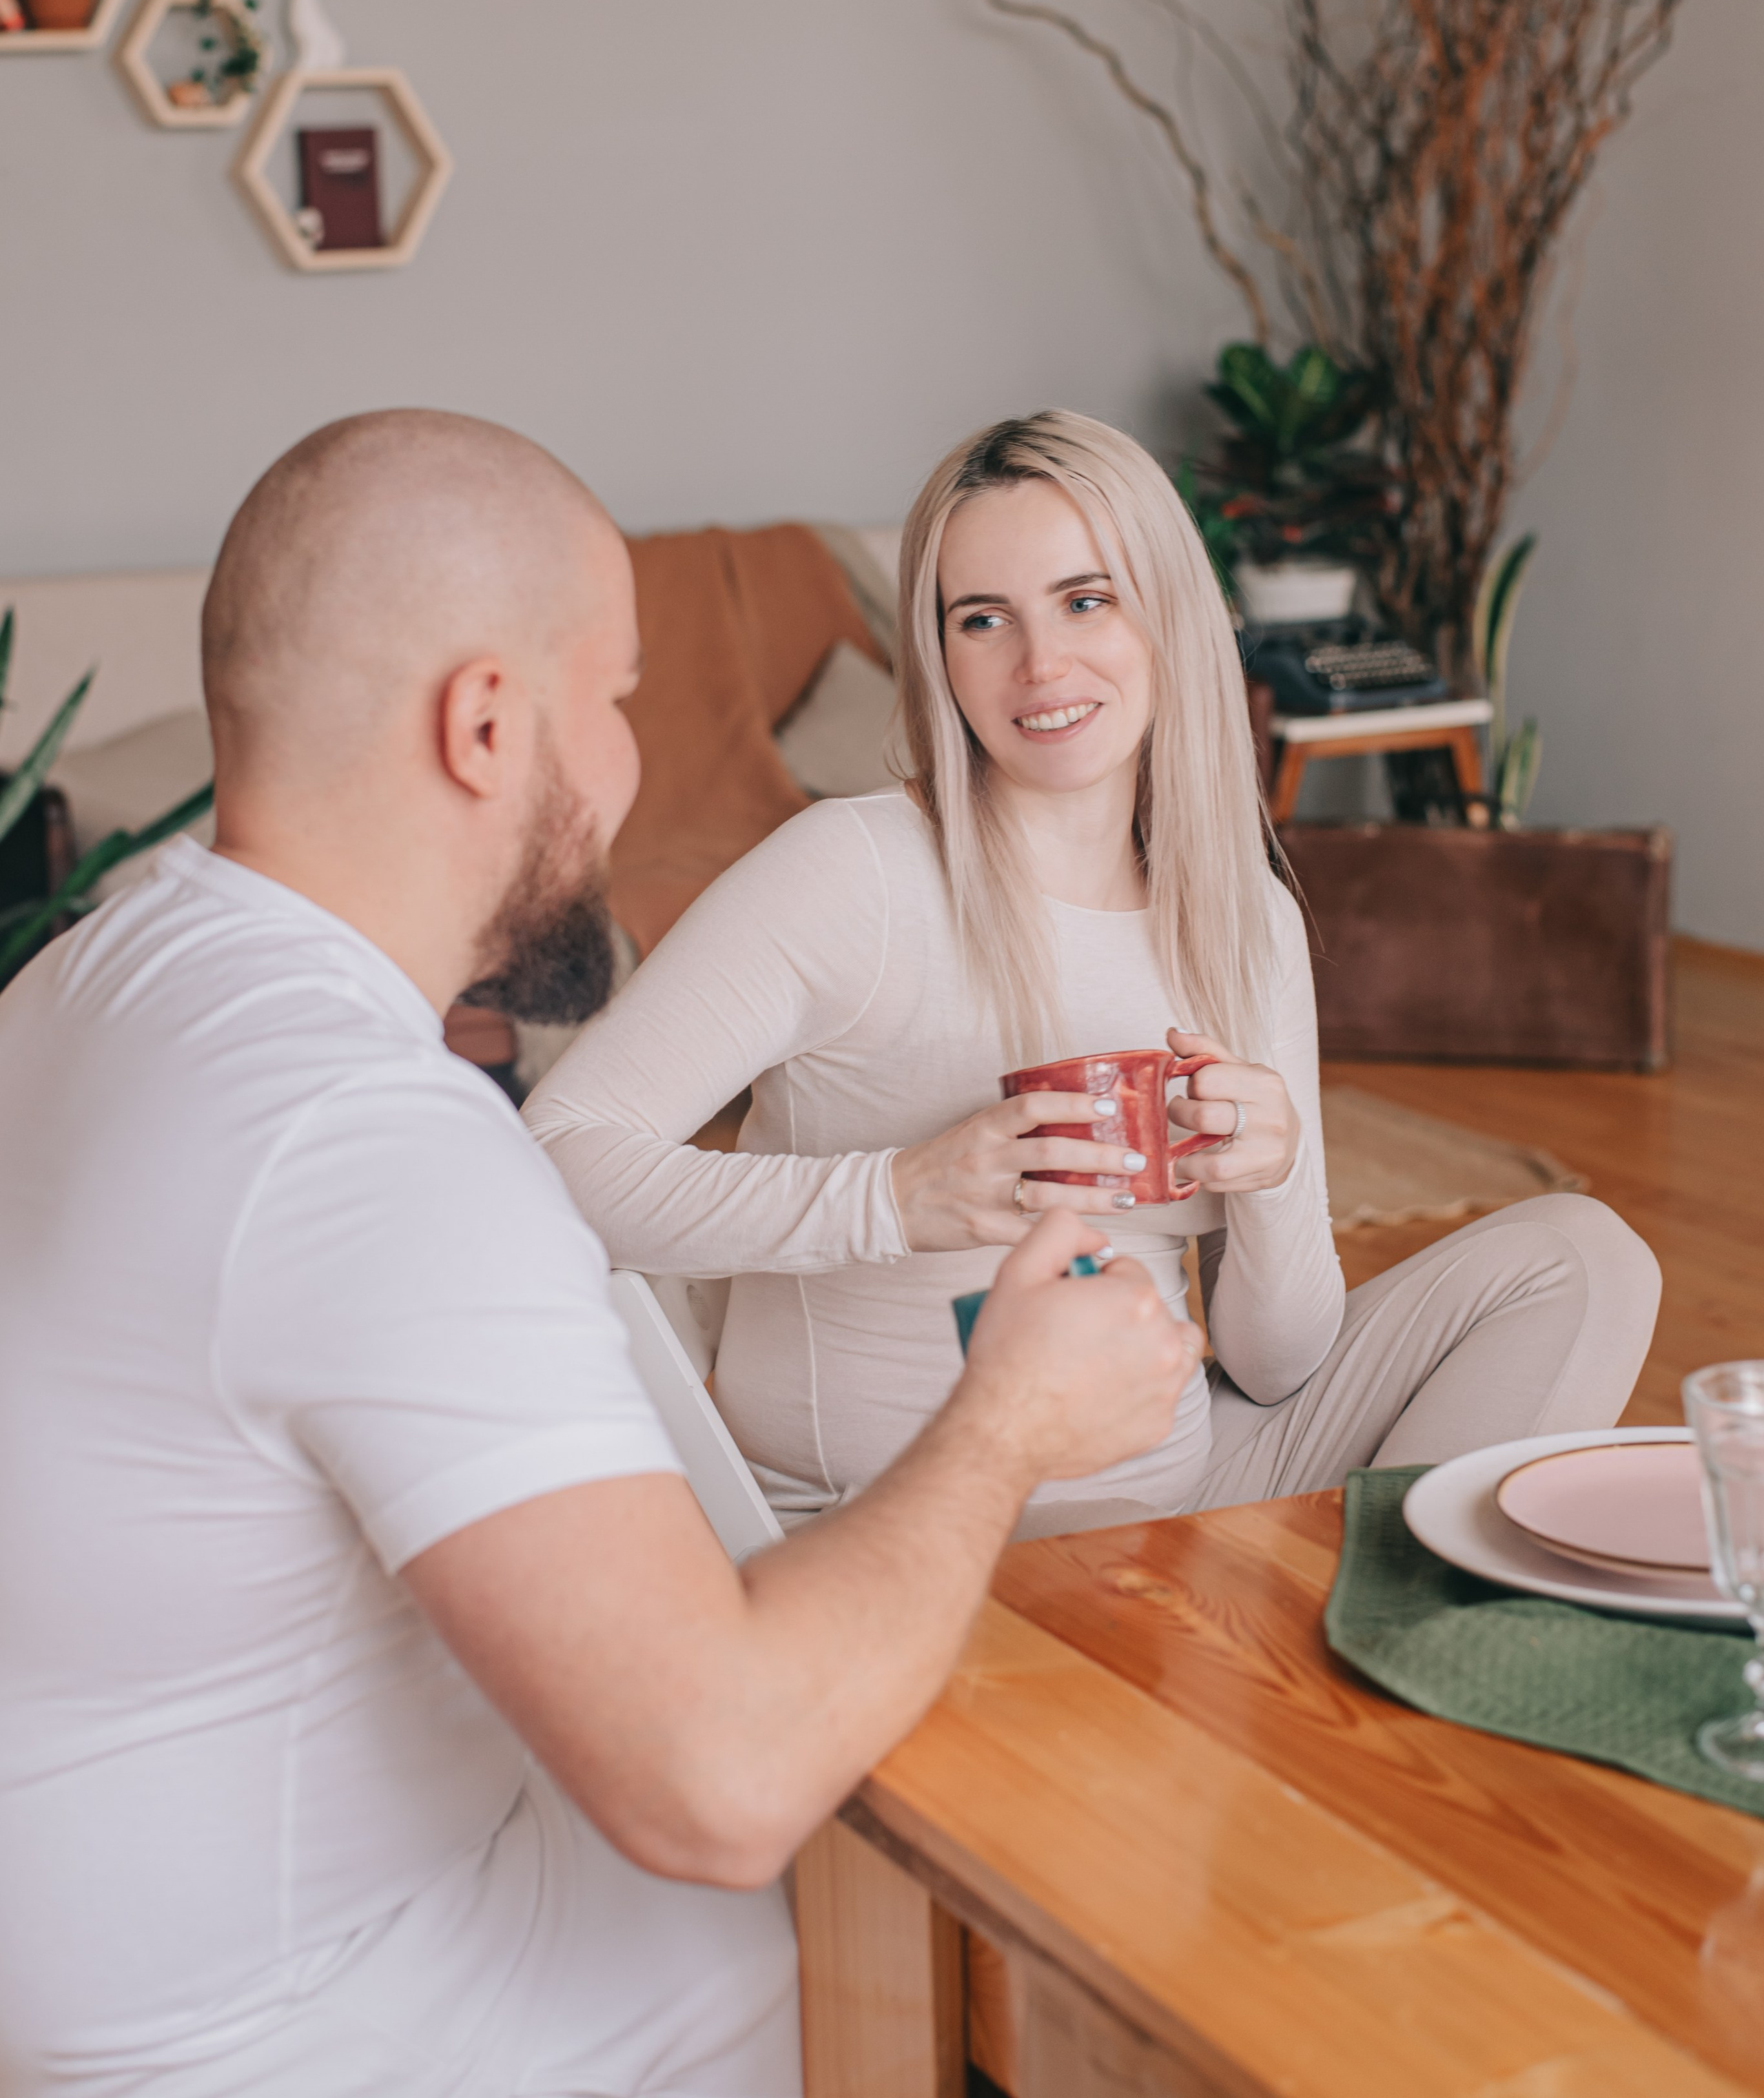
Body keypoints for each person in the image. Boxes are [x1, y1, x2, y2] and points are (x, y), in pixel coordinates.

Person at [0, 410, 1201, 2098]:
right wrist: (1007, 1417)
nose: (631, 763)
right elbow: (719, 1780)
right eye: (620, 698)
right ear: (487, 724)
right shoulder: (379, 1144)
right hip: (301, 2034)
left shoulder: (89, 977)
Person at [528, 408, 1661, 1534]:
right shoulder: (855, 875)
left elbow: (1277, 1371)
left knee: (1585, 1260)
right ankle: (1318, 1638)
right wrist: (894, 1196)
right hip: (894, 1526)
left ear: (1165, 614)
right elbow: (553, 1161)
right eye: (984, 619)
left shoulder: (1243, 918)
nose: (1042, 664)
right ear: (940, 657)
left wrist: (1272, 1183)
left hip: (1176, 1488)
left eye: (1086, 599)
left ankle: (1392, 1637)